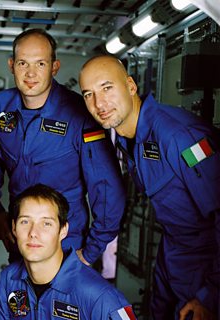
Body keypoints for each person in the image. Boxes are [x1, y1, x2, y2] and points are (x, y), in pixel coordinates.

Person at [79, 55, 219, 320]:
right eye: (88, 94)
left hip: (206, 263)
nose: (99, 103)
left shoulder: (178, 137)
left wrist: (210, 294)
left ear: (131, 85)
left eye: (107, 88)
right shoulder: (128, 139)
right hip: (171, 254)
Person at [0, 28, 126, 265]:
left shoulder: (79, 113)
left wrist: (91, 252)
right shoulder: (1, 107)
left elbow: (106, 187)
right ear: (11, 65)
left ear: (54, 67)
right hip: (20, 239)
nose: (30, 73)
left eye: (40, 64)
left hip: (67, 245)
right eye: (23, 63)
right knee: (20, 299)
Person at [0, 184, 136, 319]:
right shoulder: (9, 280)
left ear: (63, 230)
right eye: (25, 221)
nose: (33, 232)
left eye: (46, 224)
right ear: (14, 228)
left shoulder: (99, 297)